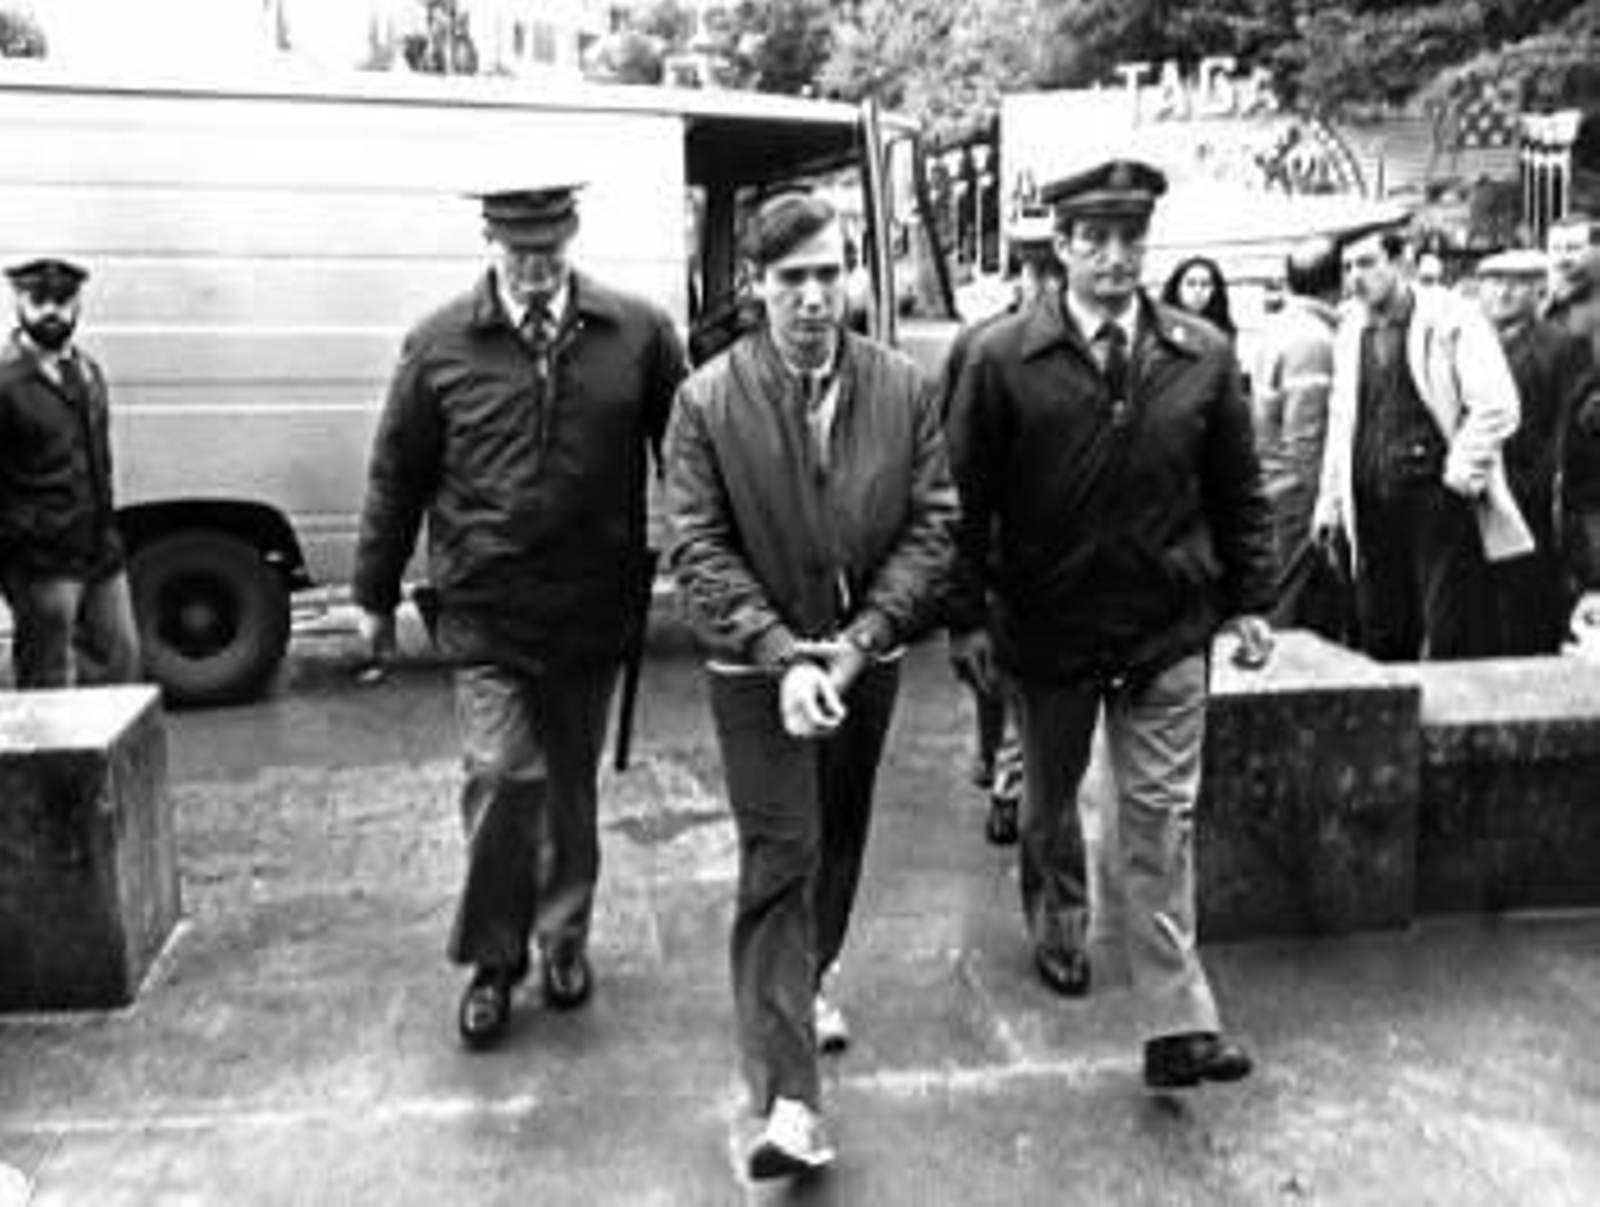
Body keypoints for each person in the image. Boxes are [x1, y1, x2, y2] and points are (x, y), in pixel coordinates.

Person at [947, 159, 1276, 1091]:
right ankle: (1058, 919)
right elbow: (960, 501)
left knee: (1159, 820)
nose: (1116, 258)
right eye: (1095, 239)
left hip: (1166, 627)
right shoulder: (1002, 355)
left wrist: (1251, 598)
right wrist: (962, 614)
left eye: (1132, 238)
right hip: (1046, 629)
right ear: (1062, 248)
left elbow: (1238, 489)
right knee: (1049, 806)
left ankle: (1178, 1021)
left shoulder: (1200, 352)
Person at [352, 181, 687, 1050]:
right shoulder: (438, 344)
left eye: (550, 253)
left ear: (572, 239)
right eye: (518, 255)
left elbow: (686, 454)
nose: (535, 273)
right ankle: (495, 959)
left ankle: (565, 937)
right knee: (503, 777)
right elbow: (398, 474)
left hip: (590, 608)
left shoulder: (639, 334)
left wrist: (699, 551)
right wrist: (372, 594)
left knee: (571, 789)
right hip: (486, 608)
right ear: (491, 245)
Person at [667, 190, 955, 1178]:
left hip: (861, 657)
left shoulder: (903, 388)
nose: (814, 297)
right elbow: (696, 545)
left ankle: (811, 973)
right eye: (792, 279)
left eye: (831, 273)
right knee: (780, 851)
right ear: (755, 287)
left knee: (835, 839)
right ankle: (790, 1098)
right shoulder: (706, 399)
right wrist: (781, 654)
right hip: (753, 668)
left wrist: (863, 636)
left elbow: (932, 524)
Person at [1312, 225, 1531, 662]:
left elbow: (1496, 403)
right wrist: (1331, 500)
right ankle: (1394, 726)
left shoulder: (1451, 316)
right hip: (1372, 499)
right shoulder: (1350, 330)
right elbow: (1342, 422)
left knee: (1449, 629)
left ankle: (1450, 727)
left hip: (1434, 498)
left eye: (1368, 263)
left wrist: (1460, 473)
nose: (1356, 276)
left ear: (1400, 263)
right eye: (1348, 267)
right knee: (1383, 633)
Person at [940, 210, 1063, 846]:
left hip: (1031, 555)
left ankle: (1006, 786)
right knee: (992, 675)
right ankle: (995, 760)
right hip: (994, 544)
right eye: (1034, 270)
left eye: (1051, 271)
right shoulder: (983, 346)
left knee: (1015, 682)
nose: (1042, 284)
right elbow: (953, 456)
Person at [0, 257, 142, 689]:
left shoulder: (87, 372)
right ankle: (46, 761)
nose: (51, 311)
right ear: (18, 301)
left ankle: (115, 761)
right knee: (49, 683)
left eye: (63, 300)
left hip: (101, 554)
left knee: (123, 667)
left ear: (78, 304)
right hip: (41, 564)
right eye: (38, 299)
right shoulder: (6, 382)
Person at [1476, 248, 1600, 653]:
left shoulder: (1561, 347)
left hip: (1532, 500)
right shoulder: (1472, 342)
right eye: (1494, 282)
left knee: (1528, 611)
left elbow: (1568, 430)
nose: (1504, 294)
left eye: (1517, 284)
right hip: (1477, 492)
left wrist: (1538, 484)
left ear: (1538, 291)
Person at [1252, 235, 1343, 574]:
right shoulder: (1314, 339)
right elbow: (1306, 439)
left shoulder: (1277, 327)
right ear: (1339, 282)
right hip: (1297, 496)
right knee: (1297, 598)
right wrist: (1324, 504)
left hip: (1274, 484)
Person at [1160, 255, 1237, 339]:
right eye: (1191, 284)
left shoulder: (1221, 333)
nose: (1198, 290)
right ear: (1177, 288)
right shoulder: (1159, 328)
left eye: (1205, 284)